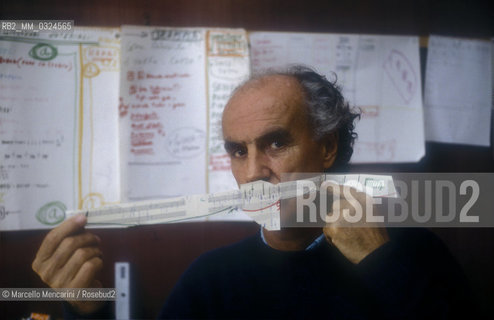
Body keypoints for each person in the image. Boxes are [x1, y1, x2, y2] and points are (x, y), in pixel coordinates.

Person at [32, 66, 474, 319]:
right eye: (237, 151)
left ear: (327, 147)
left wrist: (382, 265)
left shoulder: (414, 255)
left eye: (276, 143)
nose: (254, 173)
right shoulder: (210, 280)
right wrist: (87, 312)